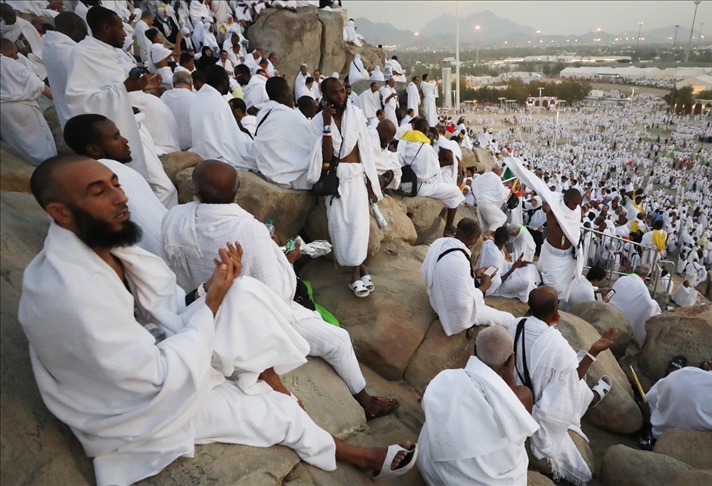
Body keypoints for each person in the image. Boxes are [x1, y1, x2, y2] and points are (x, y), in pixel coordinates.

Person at [20, 155, 418, 486]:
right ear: (59, 212)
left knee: (242, 292)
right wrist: (210, 304)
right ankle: (358, 454)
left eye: (115, 183)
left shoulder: (118, 244)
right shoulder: (67, 292)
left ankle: (265, 375)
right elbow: (147, 377)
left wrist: (209, 288)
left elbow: (169, 305)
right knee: (278, 414)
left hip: (162, 347)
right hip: (133, 406)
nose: (120, 197)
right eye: (99, 191)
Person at [161, 159, 401, 419]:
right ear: (238, 188)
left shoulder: (175, 219)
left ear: (196, 192)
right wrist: (288, 262)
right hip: (249, 320)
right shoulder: (248, 229)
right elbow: (275, 298)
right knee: (339, 340)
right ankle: (367, 404)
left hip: (200, 310)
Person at [65, 6, 177, 207]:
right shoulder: (83, 53)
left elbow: (113, 87)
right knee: (163, 188)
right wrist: (125, 87)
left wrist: (142, 86)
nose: (124, 33)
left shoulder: (106, 52)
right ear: (106, 28)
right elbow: (80, 100)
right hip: (118, 131)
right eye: (120, 28)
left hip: (133, 124)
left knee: (145, 183)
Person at [509, 286, 615, 484]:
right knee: (577, 385)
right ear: (555, 308)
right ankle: (589, 399)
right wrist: (594, 351)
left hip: (518, 389)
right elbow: (573, 380)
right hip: (540, 400)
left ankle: (589, 398)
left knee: (572, 377)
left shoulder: (516, 325)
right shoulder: (558, 347)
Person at [417, 326, 538, 485]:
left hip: (434, 469)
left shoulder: (447, 378)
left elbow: (429, 407)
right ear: (510, 360)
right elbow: (519, 431)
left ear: (474, 349)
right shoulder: (523, 395)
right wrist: (509, 375)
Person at [308, 78, 382, 298]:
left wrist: (371, 183)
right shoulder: (317, 122)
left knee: (359, 226)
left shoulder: (357, 115)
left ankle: (356, 273)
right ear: (325, 95)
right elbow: (326, 157)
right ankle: (358, 269)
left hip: (357, 177)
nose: (341, 96)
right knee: (342, 226)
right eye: (335, 93)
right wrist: (327, 124)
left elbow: (365, 151)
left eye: (343, 91)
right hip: (336, 181)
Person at [63, 114, 168, 258]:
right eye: (115, 137)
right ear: (94, 150)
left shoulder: (114, 169)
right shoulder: (108, 172)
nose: (125, 140)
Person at [421, 218, 514, 336]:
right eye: (475, 240)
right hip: (453, 314)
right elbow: (463, 305)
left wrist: (474, 272)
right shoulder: (460, 261)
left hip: (436, 299)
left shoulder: (440, 243)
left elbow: (431, 271)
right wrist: (484, 287)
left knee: (481, 300)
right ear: (472, 238)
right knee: (508, 318)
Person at [397, 118, 463, 234]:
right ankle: (448, 226)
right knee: (455, 191)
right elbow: (431, 172)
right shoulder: (426, 148)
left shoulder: (403, 142)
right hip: (418, 187)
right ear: (424, 130)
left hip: (403, 184)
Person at [253, 77, 319, 188]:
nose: (291, 95)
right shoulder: (290, 114)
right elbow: (309, 145)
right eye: (289, 92)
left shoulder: (263, 112)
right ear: (284, 93)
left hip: (266, 167)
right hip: (287, 172)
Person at [0, 39, 56, 166]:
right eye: (14, 52)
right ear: (6, 50)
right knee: (39, 143)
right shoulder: (9, 64)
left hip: (3, 113)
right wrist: (60, 102)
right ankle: (49, 166)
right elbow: (38, 85)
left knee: (17, 144)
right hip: (20, 108)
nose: (16, 56)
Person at [190, 65, 256, 170]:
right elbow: (232, 137)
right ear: (224, 81)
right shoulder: (219, 102)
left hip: (200, 150)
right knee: (251, 148)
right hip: (218, 155)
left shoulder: (196, 98)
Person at [41, 11, 88, 130]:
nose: (85, 37)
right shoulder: (66, 51)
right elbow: (85, 84)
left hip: (68, 111)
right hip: (80, 112)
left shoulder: (53, 46)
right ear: (72, 29)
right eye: (84, 32)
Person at [477, 226, 540, 303]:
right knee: (527, 282)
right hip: (492, 287)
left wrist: (516, 265)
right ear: (506, 240)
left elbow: (500, 265)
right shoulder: (496, 258)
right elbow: (497, 279)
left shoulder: (488, 243)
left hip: (497, 272)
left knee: (530, 266)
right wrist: (513, 268)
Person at [609, 264, 661, 346]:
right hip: (625, 319)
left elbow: (610, 294)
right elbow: (649, 305)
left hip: (610, 311)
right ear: (645, 276)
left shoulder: (621, 279)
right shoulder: (642, 287)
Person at [160, 70, 196, 150]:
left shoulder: (164, 96)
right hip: (191, 147)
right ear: (191, 85)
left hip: (170, 146)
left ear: (173, 84)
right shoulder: (195, 98)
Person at [472, 166, 510, 233]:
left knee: (490, 220)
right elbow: (501, 193)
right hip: (488, 203)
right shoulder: (497, 178)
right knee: (502, 218)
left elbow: (474, 184)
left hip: (480, 201)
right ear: (499, 173)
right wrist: (509, 191)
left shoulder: (483, 176)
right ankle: (487, 235)